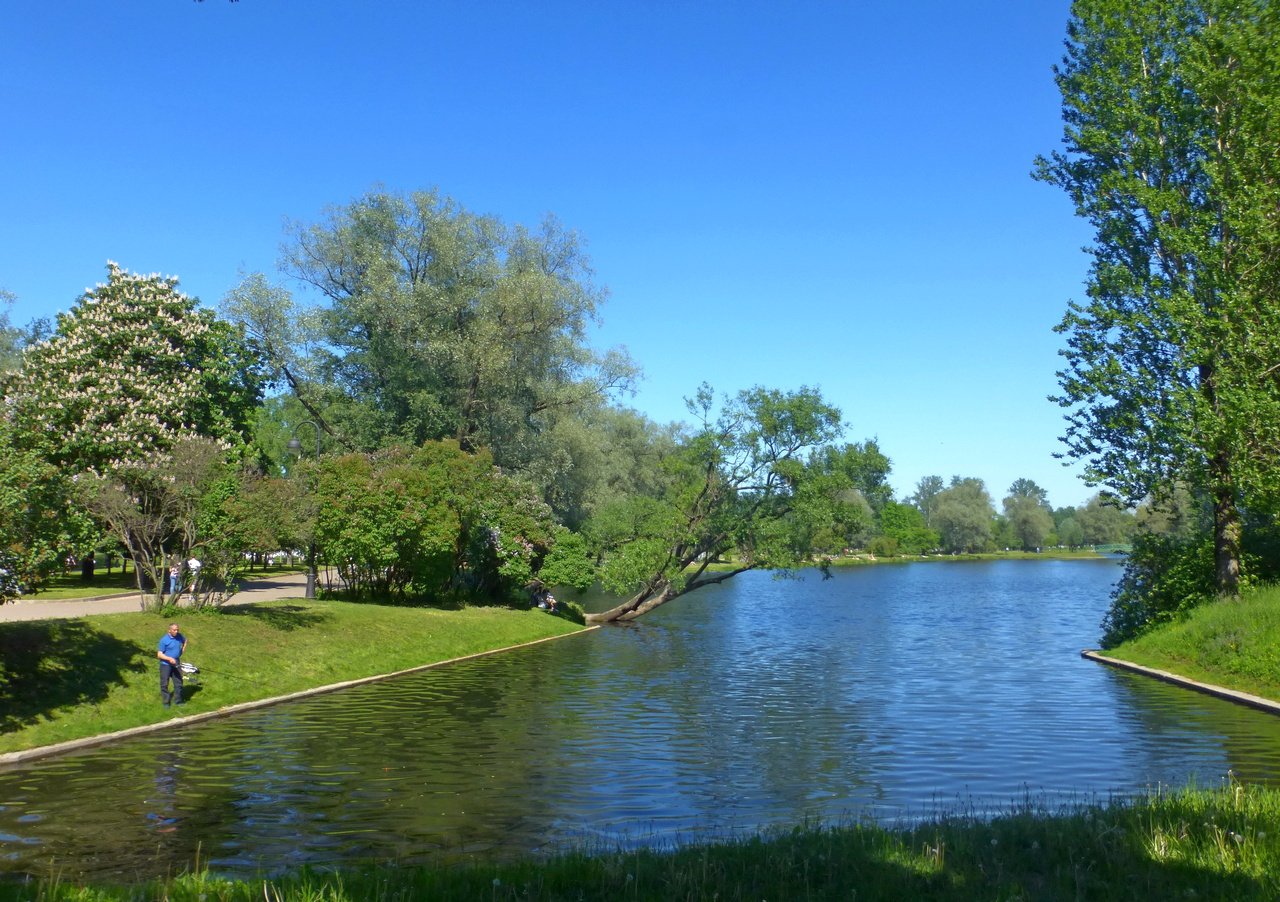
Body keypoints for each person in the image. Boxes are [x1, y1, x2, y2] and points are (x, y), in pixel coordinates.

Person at [157, 622, 187, 708]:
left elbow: (185, 641)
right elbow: (159, 654)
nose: (176, 631)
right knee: (164, 683)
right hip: (165, 665)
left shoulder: (179, 636)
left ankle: (178, 701)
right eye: (174, 630)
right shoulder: (164, 640)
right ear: (169, 630)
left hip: (176, 663)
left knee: (178, 682)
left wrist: (182, 650)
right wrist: (169, 659)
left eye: (177, 629)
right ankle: (166, 702)